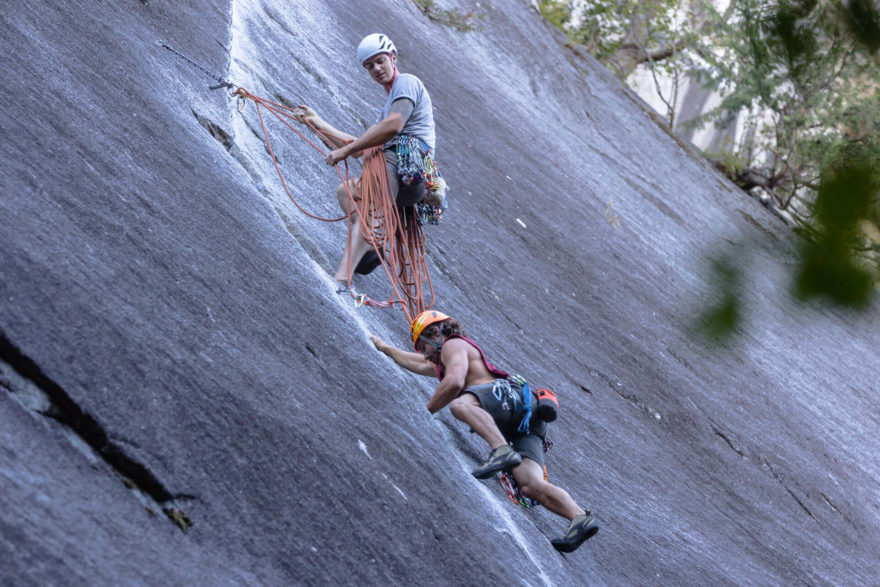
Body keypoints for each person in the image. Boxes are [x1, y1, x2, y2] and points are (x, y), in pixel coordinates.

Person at [369, 310, 599, 553]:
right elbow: (418, 364)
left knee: (460, 405)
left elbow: (455, 382)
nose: (424, 354)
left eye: (423, 347)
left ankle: (501, 450)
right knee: (530, 484)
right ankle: (579, 518)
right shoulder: (449, 356)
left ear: (435, 333)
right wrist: (385, 347)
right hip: (525, 419)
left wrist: (423, 412)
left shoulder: (452, 344)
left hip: (506, 396)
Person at [292, 33, 445, 287]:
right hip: (400, 172)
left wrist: (342, 152)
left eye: (380, 61)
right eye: (369, 66)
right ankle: (371, 248)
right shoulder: (388, 108)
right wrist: (316, 122)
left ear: (393, 58)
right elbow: (361, 147)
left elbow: (394, 125)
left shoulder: (407, 82)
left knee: (372, 205)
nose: (376, 69)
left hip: (404, 165)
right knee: (346, 192)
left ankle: (343, 277)